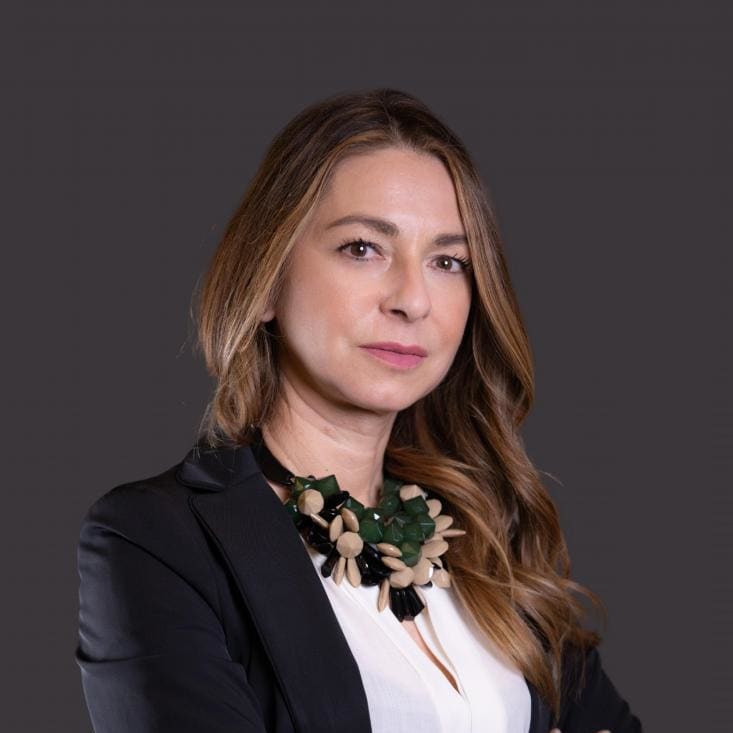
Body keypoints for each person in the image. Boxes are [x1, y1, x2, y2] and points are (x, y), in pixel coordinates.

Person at [75, 88, 643, 733]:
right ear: (266, 280)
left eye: (448, 261)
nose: (412, 299)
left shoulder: (486, 539)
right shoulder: (156, 541)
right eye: (363, 248)